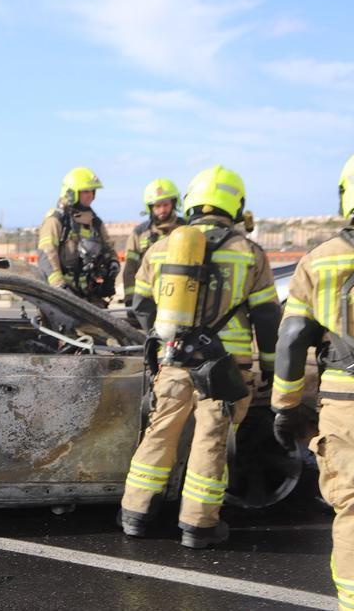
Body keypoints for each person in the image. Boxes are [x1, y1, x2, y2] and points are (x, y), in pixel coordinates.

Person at [119, 165, 280, 549]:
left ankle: (135, 515)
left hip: (174, 359)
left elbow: (140, 305)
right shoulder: (249, 253)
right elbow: (267, 316)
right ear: (235, 205)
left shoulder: (161, 248)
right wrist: (271, 368)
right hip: (226, 367)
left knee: (159, 433)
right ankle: (198, 525)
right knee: (211, 439)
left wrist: (165, 340)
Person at [272, 141, 354, 609]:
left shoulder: (320, 259)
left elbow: (294, 337)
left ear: (349, 195)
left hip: (350, 408)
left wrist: (284, 406)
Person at [37, 167, 120, 307]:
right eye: (86, 191)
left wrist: (112, 268)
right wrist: (60, 288)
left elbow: (109, 249)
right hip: (62, 298)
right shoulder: (56, 220)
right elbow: (47, 254)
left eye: (92, 192)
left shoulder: (95, 223)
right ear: (71, 193)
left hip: (90, 296)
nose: (91, 196)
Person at [123, 178, 186, 308]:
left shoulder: (186, 230)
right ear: (150, 208)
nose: (162, 210)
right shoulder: (139, 233)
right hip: (148, 300)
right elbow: (130, 269)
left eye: (166, 205)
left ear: (174, 204)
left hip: (181, 298)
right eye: (157, 206)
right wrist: (131, 300)